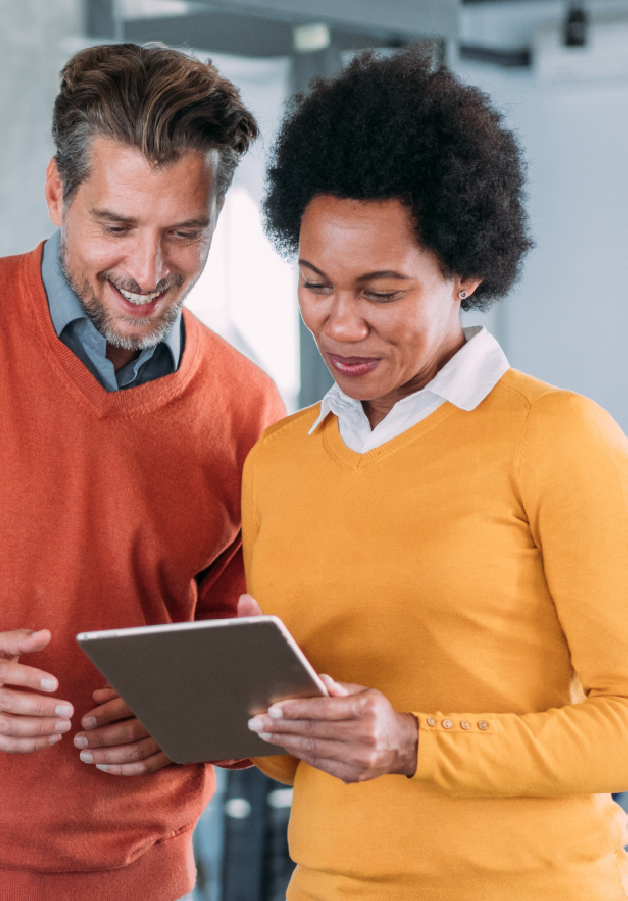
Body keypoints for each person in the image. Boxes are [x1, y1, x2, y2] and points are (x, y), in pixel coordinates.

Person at [0, 44, 284, 901]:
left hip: (143, 881)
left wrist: (189, 717)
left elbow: (248, 653)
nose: (148, 273)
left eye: (182, 234)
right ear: (54, 192)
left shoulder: (248, 407)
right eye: (115, 227)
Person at [238, 48, 628, 900]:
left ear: (465, 270)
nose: (340, 324)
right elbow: (284, 760)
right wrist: (242, 710)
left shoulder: (557, 440)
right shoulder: (279, 459)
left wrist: (415, 741)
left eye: (380, 292)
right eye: (314, 284)